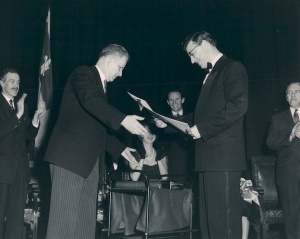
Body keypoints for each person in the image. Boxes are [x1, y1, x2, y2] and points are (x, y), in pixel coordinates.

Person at [44, 44, 148, 239]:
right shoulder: (83, 74)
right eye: (120, 67)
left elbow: (95, 126)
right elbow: (90, 100)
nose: (120, 74)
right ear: (109, 61)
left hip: (89, 162)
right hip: (70, 159)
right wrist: (123, 119)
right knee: (63, 223)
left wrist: (120, 148)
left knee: (85, 223)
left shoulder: (101, 87)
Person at [183, 31, 248, 238]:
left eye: (192, 53)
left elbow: (237, 107)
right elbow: (200, 117)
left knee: (224, 224)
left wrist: (201, 129)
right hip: (208, 160)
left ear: (204, 45)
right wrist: (165, 122)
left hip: (223, 160)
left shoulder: (232, 68)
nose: (192, 61)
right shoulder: (210, 75)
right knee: (210, 225)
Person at [0, 68, 45, 239]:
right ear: (1, 82)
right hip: (2, 171)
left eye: (18, 82)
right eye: (11, 81)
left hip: (20, 171)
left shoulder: (21, 105)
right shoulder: (14, 108)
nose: (16, 85)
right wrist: (18, 115)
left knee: (15, 220)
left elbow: (28, 137)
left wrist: (35, 120)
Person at [266, 82, 300, 239]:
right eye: (289, 92)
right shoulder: (277, 119)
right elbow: (270, 142)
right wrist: (290, 136)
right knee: (292, 216)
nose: (292, 95)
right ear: (286, 97)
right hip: (288, 175)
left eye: (296, 91)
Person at [155, 90, 193, 178]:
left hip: (191, 162)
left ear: (183, 100)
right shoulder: (161, 120)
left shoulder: (192, 116)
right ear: (168, 102)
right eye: (171, 100)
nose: (174, 102)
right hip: (173, 163)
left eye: (177, 99)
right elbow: (158, 144)